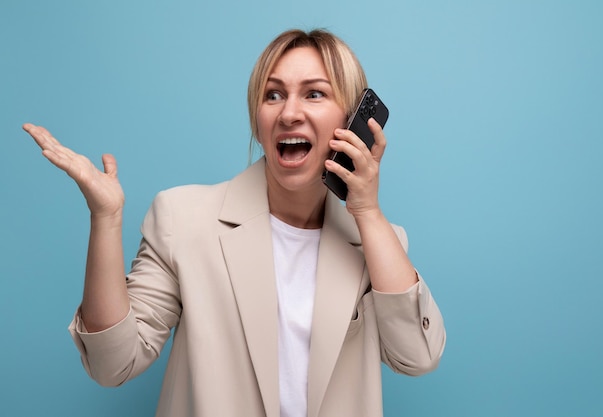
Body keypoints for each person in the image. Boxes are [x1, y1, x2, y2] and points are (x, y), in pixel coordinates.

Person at [23, 28, 446, 417]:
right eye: (273, 95)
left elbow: (418, 356)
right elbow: (111, 364)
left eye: (314, 95)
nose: (289, 114)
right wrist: (106, 218)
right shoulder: (182, 219)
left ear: (351, 122)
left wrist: (367, 213)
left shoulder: (379, 243)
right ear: (257, 118)